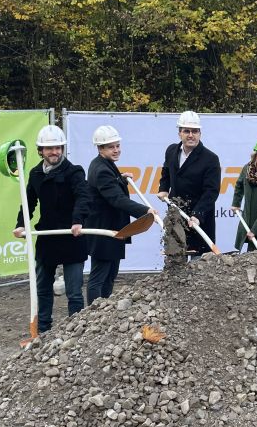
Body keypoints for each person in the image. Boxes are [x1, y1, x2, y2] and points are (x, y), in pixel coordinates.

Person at [13, 124, 91, 334]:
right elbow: (28, 202)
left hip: (72, 236)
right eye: (49, 148)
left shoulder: (74, 171)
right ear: (41, 151)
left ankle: (76, 332)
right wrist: (21, 224)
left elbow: (83, 197)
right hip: (47, 238)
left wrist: (77, 221)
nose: (54, 152)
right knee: (43, 288)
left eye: (58, 147)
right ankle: (43, 331)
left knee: (74, 291)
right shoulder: (36, 173)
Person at [85, 125, 154, 304]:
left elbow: (110, 187)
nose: (116, 150)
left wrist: (121, 178)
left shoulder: (104, 165)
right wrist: (145, 211)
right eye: (111, 147)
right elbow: (117, 199)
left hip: (113, 229)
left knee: (110, 274)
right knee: (100, 275)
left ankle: (105, 309)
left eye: (117, 145)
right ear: (100, 149)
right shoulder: (101, 170)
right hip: (104, 231)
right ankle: (93, 314)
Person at [156, 111, 221, 256]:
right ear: (180, 133)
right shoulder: (171, 151)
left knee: (199, 263)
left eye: (195, 131)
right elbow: (166, 171)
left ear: (200, 133)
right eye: (186, 131)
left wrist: (198, 215)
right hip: (175, 215)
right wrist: (164, 188)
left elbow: (211, 191)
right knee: (175, 259)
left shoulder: (210, 159)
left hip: (199, 220)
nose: (191, 135)